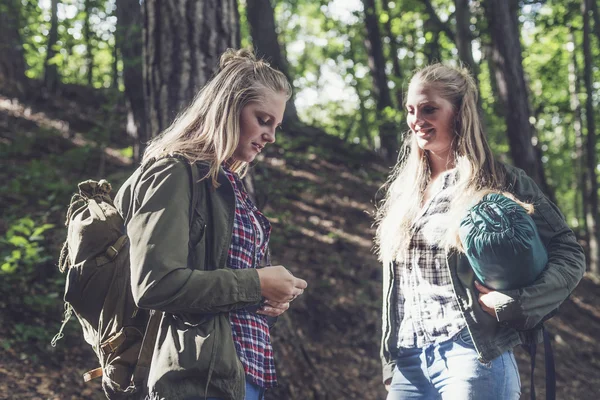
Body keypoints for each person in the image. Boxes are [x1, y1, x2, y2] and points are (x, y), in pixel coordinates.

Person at [374, 63, 585, 399]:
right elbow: (396, 285)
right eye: (411, 110)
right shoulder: (404, 192)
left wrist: (519, 303)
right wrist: (390, 363)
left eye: (430, 109)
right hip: (410, 362)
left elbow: (568, 251)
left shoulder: (500, 181)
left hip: (471, 356)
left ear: (459, 113)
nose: (416, 120)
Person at [114, 48, 307, 400]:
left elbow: (219, 282)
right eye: (263, 120)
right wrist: (256, 283)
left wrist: (266, 296)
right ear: (229, 107)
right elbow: (156, 285)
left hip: (239, 373)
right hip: (195, 379)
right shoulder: (173, 173)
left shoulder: (225, 182)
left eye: (275, 126)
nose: (271, 136)